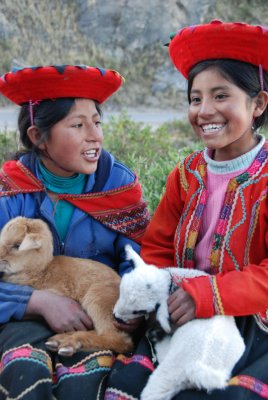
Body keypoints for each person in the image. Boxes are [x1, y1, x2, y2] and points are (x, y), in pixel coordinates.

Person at [105, 21, 268, 400]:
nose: (204, 110)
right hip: (179, 311)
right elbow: (159, 248)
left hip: (252, 323)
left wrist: (209, 293)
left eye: (221, 96)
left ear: (258, 103)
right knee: (126, 384)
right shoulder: (188, 174)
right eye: (195, 99)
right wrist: (152, 294)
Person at [0, 64, 150, 399]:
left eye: (97, 122)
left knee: (91, 384)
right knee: (26, 371)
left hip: (100, 317)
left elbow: (138, 261)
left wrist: (133, 305)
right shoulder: (9, 193)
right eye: (78, 125)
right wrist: (36, 301)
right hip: (21, 317)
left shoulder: (118, 186)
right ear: (38, 137)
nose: (95, 135)